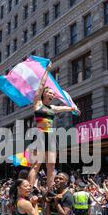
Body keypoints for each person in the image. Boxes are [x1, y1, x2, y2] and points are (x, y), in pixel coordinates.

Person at [28, 62, 80, 191]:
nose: (52, 95)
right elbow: (40, 86)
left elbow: (64, 108)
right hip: (40, 134)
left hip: (51, 136)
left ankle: (50, 190)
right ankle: (29, 189)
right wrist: (47, 70)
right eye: (50, 93)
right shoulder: (37, 103)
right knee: (36, 165)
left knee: (51, 165)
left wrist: (73, 108)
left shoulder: (53, 107)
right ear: (44, 94)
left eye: (53, 94)